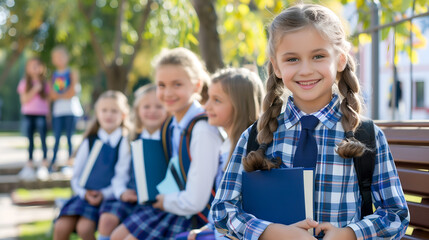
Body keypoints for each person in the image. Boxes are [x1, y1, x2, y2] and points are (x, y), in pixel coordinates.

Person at [210, 4, 409, 240]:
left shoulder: (366, 136)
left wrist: (349, 234)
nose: (306, 70)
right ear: (277, 67)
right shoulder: (256, 137)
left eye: (318, 56)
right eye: (292, 59)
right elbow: (223, 211)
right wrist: (270, 232)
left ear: (341, 60)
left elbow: (395, 215)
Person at [111, 47, 223, 240]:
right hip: (171, 202)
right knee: (116, 236)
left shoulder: (203, 129)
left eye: (177, 84)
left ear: (196, 86)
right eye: (161, 85)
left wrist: (164, 201)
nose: (167, 92)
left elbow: (196, 200)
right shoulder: (172, 125)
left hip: (197, 216)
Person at [184, 67, 264, 240]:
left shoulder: (251, 151)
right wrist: (207, 227)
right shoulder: (225, 145)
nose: (206, 106)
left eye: (217, 100)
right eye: (209, 98)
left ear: (239, 106)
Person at [53, 91, 131, 240]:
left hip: (108, 197)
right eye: (104, 110)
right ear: (97, 113)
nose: (108, 114)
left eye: (114, 111)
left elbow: (121, 176)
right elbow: (76, 175)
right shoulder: (89, 141)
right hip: (84, 195)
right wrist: (84, 193)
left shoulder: (124, 142)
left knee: (85, 228)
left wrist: (103, 194)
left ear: (123, 115)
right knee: (61, 226)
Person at [97, 84, 168, 240]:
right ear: (137, 111)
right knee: (107, 220)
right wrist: (122, 192)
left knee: (119, 236)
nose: (152, 111)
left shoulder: (169, 138)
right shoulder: (131, 138)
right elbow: (120, 173)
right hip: (130, 196)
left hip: (156, 202)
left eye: (158, 106)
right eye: (146, 106)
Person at [50, 46, 83, 171]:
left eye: (61, 56)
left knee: (70, 137)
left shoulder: (72, 72)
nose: (59, 59)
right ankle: (53, 163)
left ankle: (70, 163)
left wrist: (60, 95)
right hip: (58, 111)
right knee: (57, 137)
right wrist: (63, 95)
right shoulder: (53, 75)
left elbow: (72, 92)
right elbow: (52, 95)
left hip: (71, 110)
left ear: (67, 57)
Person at [17, 57, 50, 180]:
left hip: (41, 114)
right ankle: (29, 165)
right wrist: (35, 89)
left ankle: (44, 165)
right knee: (30, 140)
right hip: (28, 114)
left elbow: (47, 100)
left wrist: (49, 115)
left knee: (43, 139)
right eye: (32, 65)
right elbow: (24, 100)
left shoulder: (45, 83)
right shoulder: (24, 83)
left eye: (37, 65)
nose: (35, 68)